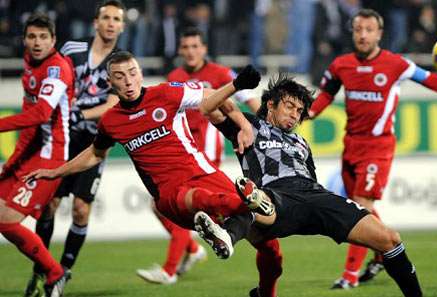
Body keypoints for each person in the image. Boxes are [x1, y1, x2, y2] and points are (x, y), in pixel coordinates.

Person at [24, 51, 283, 296]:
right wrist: (56, 172)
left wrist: (242, 120)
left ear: (140, 73)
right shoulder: (111, 121)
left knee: (271, 248)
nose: (128, 81)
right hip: (170, 193)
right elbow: (95, 153)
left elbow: (210, 97)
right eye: (120, 76)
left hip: (204, 173)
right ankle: (251, 204)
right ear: (109, 81)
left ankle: (256, 273)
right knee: (203, 198)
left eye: (132, 72)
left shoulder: (167, 93)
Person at [308, 8, 437, 289]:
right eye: (358, 29)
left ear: (379, 34)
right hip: (351, 145)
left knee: (360, 206)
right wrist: (305, 114)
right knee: (359, 207)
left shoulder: (396, 64)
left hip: (378, 147)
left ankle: (350, 275)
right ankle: (384, 252)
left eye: (369, 30)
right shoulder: (340, 65)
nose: (363, 35)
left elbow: (432, 80)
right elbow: (324, 97)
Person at [193, 74, 423, 297]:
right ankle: (227, 237)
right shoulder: (249, 126)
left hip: (313, 195)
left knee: (390, 239)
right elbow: (208, 106)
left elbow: (311, 180)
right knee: (257, 203)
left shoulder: (301, 143)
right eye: (289, 106)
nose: (295, 115)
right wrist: (236, 85)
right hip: (275, 195)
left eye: (299, 111)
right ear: (271, 105)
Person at [136, 26, 261, 285]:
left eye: (195, 46)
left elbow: (250, 99)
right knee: (163, 206)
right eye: (186, 47)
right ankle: (194, 249)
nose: (191, 52)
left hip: (207, 151)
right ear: (180, 50)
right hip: (182, 152)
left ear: (204, 49)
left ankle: (170, 269)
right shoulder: (175, 75)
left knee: (187, 203)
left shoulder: (220, 73)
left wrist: (260, 127)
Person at [27, 0, 125, 292]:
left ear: (121, 26)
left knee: (81, 210)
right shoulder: (71, 50)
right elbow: (52, 76)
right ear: (95, 22)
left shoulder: (122, 63)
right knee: (48, 206)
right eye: (105, 17)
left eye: (116, 19)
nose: (110, 23)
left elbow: (113, 103)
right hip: (63, 139)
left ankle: (63, 272)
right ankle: (41, 268)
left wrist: (79, 112)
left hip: (95, 144)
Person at [0, 13, 74, 297]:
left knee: (7, 221)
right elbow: (30, 121)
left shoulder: (56, 69)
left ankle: (55, 273)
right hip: (31, 154)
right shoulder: (29, 65)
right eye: (32, 37)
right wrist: (13, 161)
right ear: (24, 41)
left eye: (43, 37)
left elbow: (41, 114)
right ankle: (51, 271)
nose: (37, 42)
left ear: (54, 40)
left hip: (50, 158)